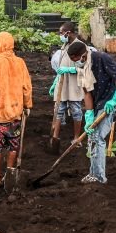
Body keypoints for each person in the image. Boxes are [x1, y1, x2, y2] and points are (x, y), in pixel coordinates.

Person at [67, 41, 116, 184]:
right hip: (95, 103)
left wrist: (114, 99)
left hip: (108, 101)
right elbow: (86, 92)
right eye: (73, 60)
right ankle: (93, 173)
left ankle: (100, 177)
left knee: (99, 137)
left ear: (83, 55)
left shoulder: (101, 58)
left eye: (76, 59)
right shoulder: (81, 68)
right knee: (91, 137)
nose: (76, 63)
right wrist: (88, 116)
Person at [0, 32, 32, 186]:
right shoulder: (20, 62)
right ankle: (9, 177)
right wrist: (27, 105)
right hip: (16, 112)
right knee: (13, 145)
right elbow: (27, 87)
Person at [49, 23, 86, 152]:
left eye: (61, 33)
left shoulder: (81, 47)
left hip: (74, 85)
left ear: (68, 32)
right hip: (62, 84)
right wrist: (55, 82)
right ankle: (55, 137)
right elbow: (61, 65)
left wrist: (70, 69)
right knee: (58, 110)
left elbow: (85, 68)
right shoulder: (64, 46)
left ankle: (76, 138)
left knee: (76, 111)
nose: (60, 36)